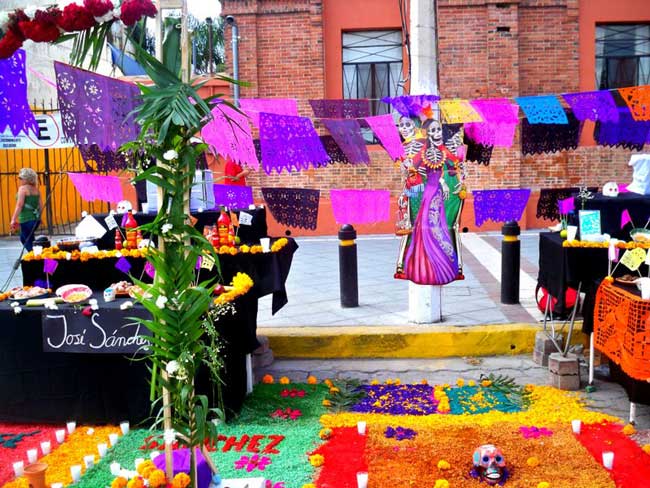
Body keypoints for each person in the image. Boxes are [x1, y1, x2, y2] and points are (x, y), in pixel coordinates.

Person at [10, 168, 41, 252]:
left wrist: (13, 219)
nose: (19, 180)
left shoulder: (22, 189)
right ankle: (35, 255)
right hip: (35, 219)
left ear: (26, 179)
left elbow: (19, 205)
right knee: (24, 238)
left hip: (26, 219)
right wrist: (38, 217)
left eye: (21, 178)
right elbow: (40, 206)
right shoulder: (36, 190)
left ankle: (36, 258)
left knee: (28, 241)